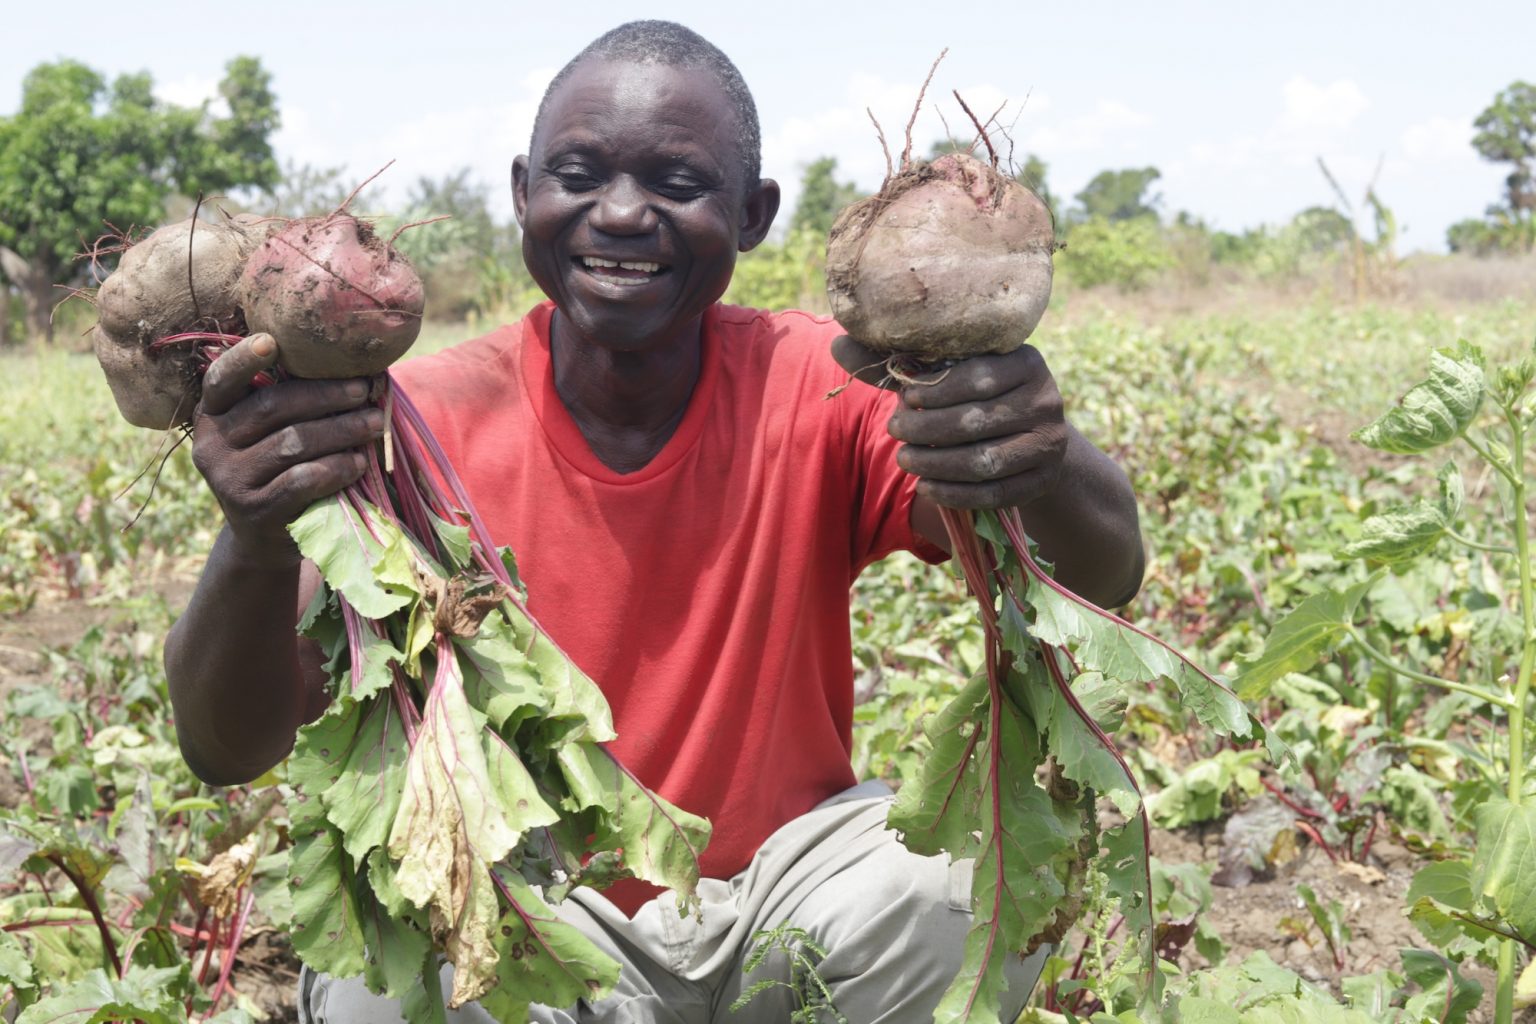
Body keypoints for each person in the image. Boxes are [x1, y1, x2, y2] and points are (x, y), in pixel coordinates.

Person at [165, 20, 1143, 1024]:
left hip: (786, 915)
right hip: (541, 922)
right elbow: (225, 748)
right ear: (523, 195)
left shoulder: (827, 383)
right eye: (580, 174)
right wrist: (251, 537)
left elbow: (1103, 576)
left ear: (753, 215)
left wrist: (1036, 450)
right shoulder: (407, 427)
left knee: (970, 876)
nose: (622, 215)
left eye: (679, 184)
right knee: (393, 972)